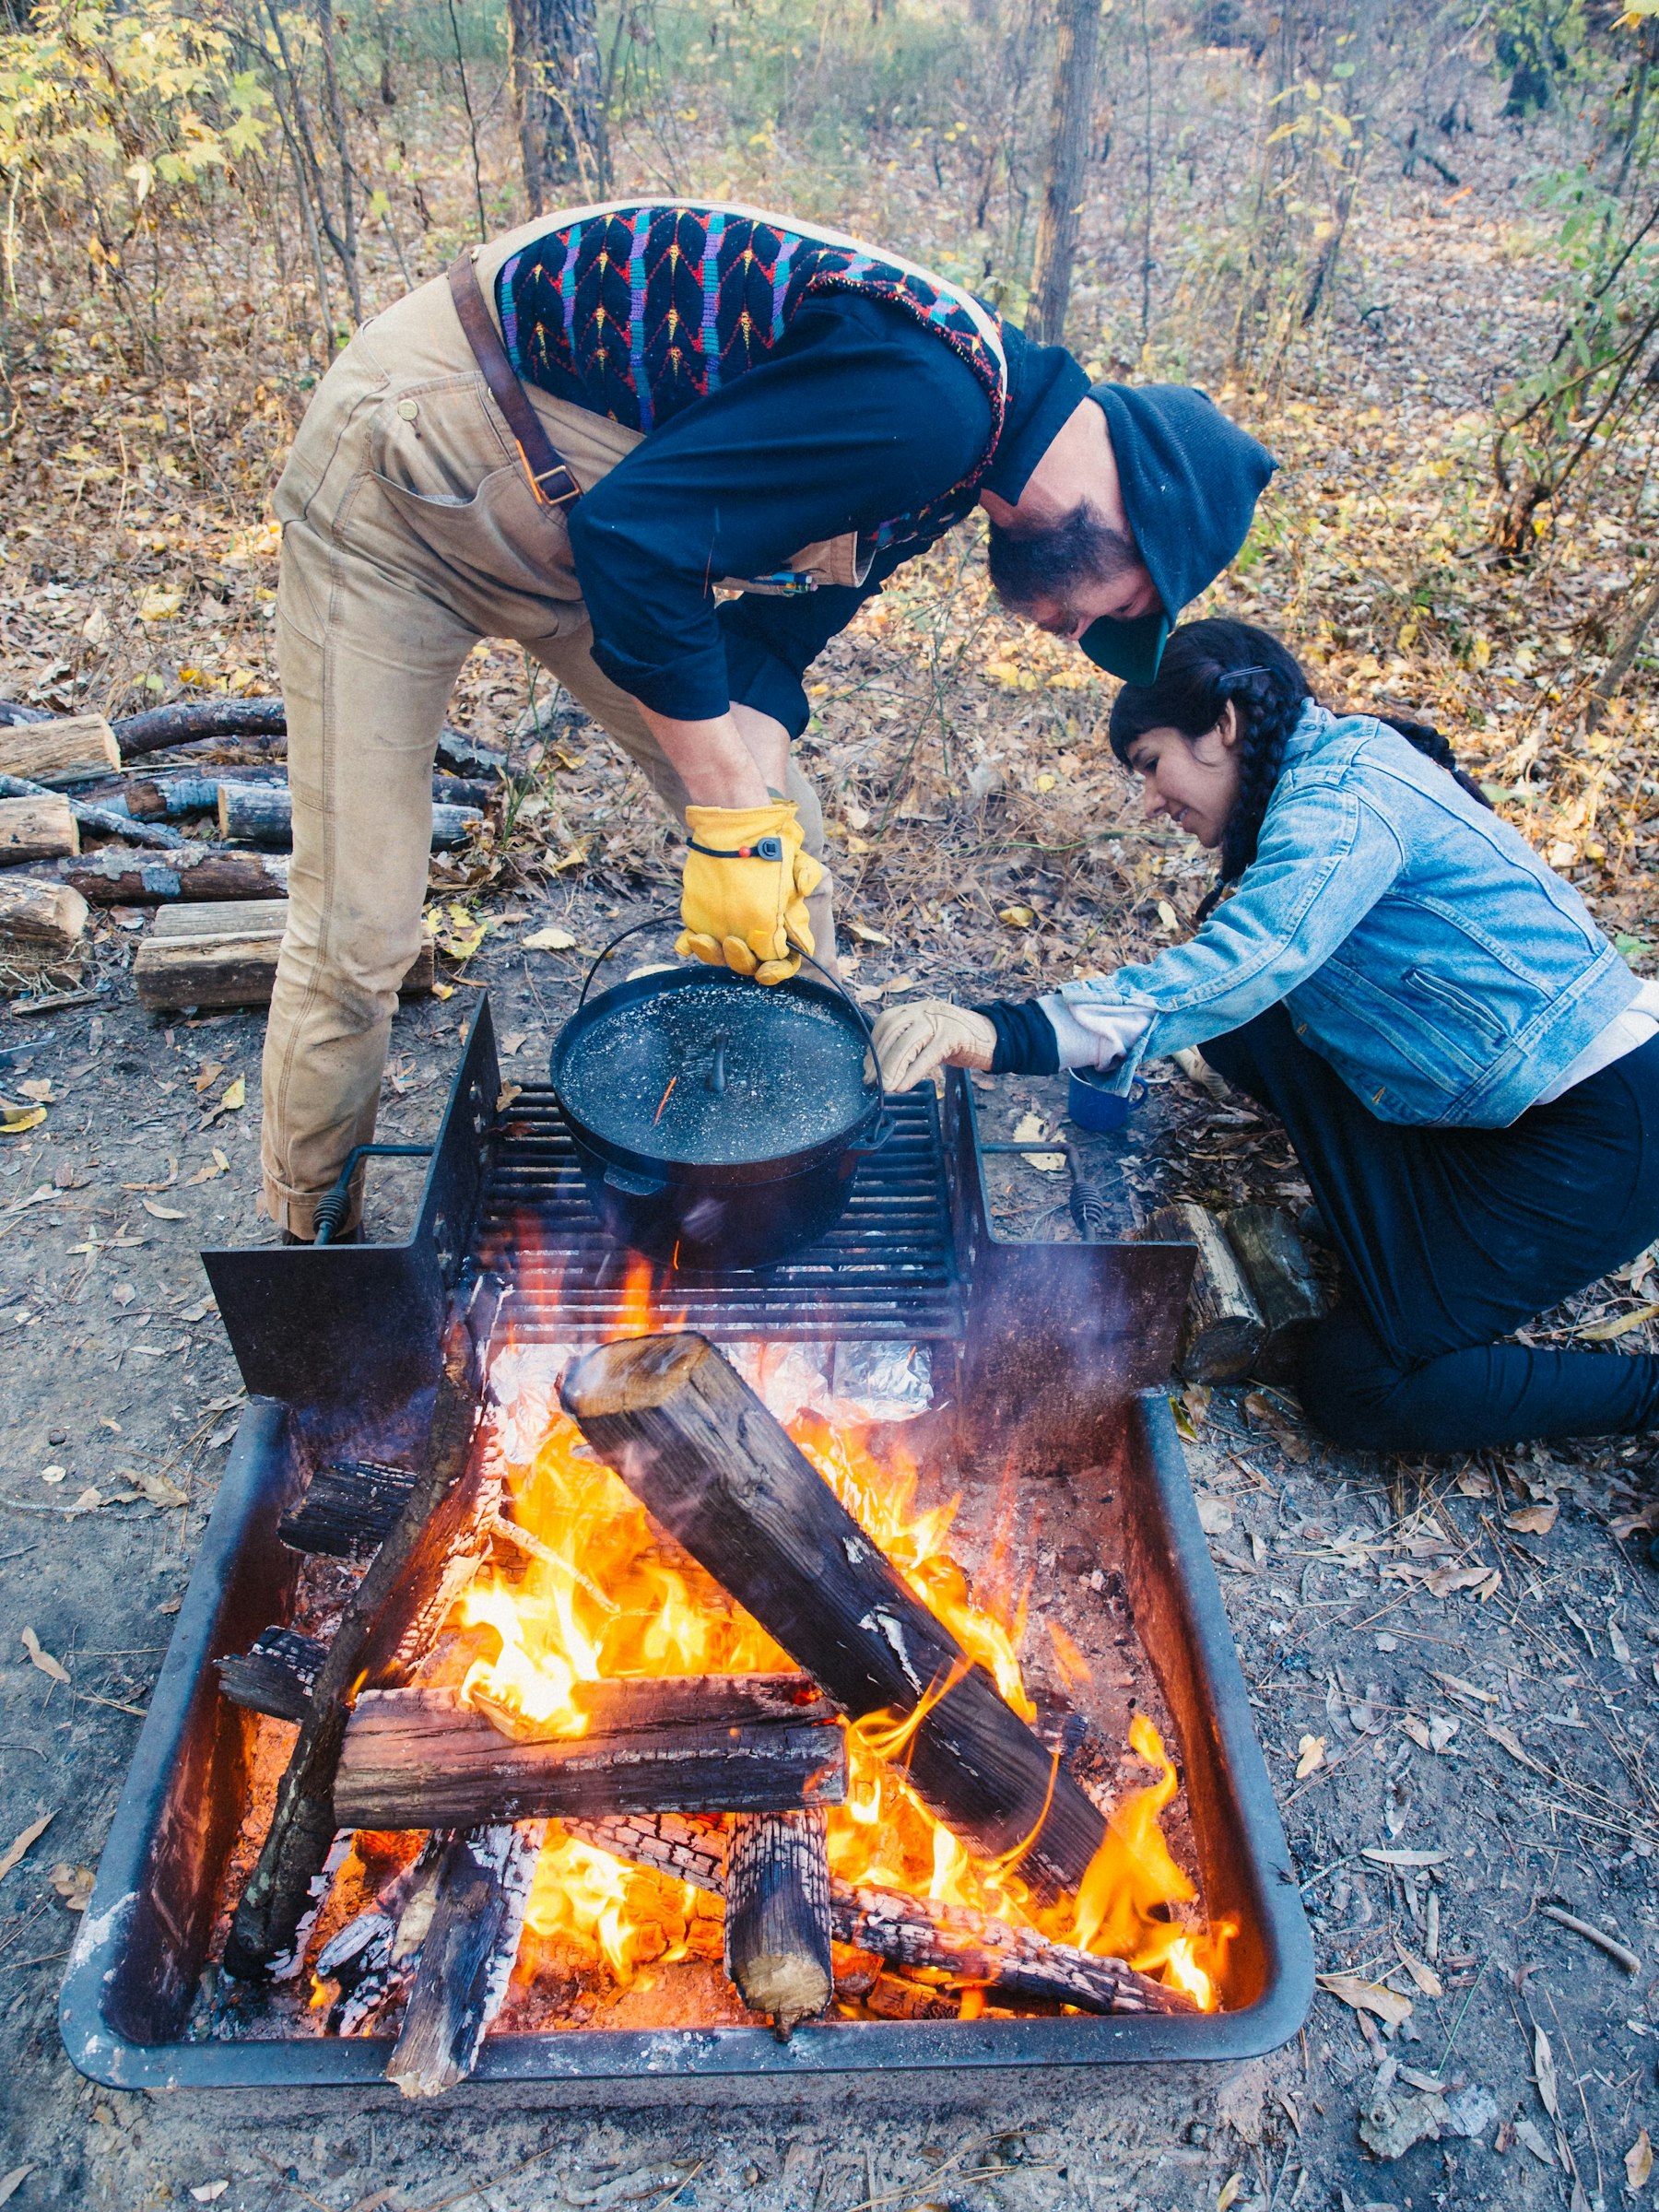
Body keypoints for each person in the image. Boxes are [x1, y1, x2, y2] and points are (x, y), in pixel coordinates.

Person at [259, 196, 1276, 1241]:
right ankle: (311, 1248)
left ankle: (750, 1150)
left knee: (781, 815)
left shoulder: (950, 468)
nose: (1080, 632)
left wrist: (756, 817)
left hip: (576, 545)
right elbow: (639, 547)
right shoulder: (938, 404)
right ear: (1138, 515)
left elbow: (762, 655)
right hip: (412, 475)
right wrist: (729, 817)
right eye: (1123, 611)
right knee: (360, 931)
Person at [873, 618, 1659, 1455]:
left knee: (1358, 1384)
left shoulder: (1344, 799)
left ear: (1226, 723)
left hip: (1600, 1136)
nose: (1149, 801)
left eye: (1151, 764)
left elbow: (1258, 955)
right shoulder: (1322, 778)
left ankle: (1646, 1394)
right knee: (1244, 1028)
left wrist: (1010, 1032)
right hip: (1486, 1113)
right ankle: (1402, 1226)